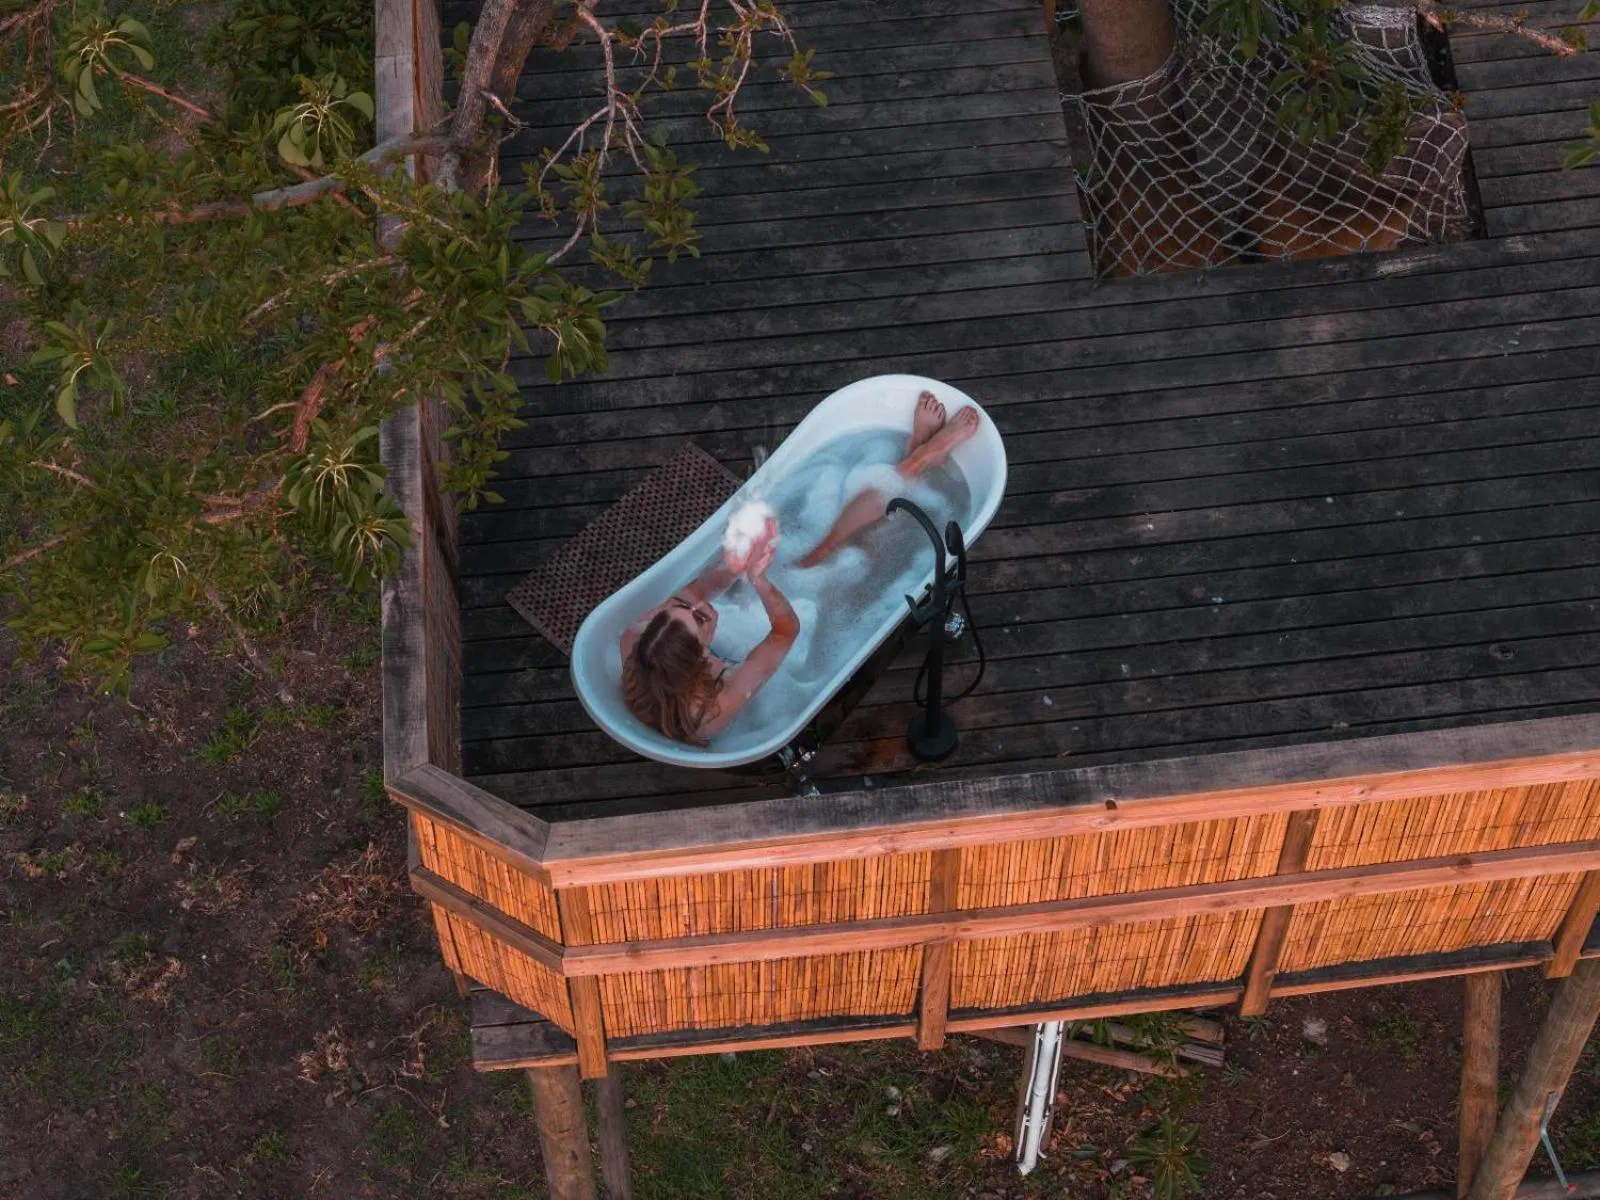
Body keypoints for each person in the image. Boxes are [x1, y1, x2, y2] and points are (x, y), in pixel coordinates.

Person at [621, 393, 979, 743]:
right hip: (795, 656)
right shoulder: (711, 711)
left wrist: (734, 565)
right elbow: (784, 633)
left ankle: (911, 463)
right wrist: (759, 582)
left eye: (679, 608)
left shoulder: (635, 640)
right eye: (699, 620)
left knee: (818, 558)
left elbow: (698, 591)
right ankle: (919, 459)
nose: (697, 605)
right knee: (852, 563)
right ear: (700, 656)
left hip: (744, 631)